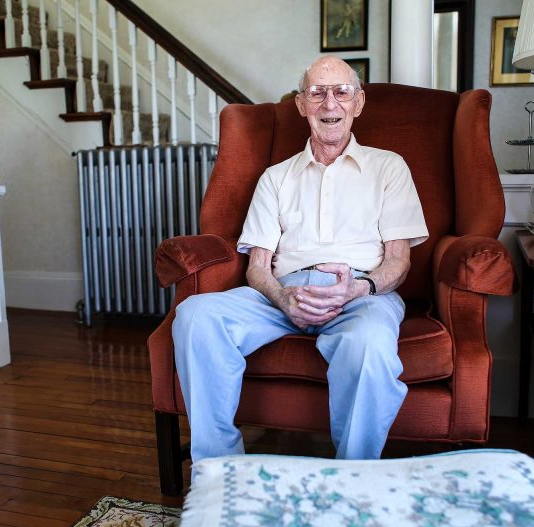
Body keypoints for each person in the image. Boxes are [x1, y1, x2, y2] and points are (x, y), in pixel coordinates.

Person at [172, 56, 428, 462]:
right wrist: (282, 298)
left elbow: (399, 261)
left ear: (358, 103)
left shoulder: (389, 168)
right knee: (194, 315)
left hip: (362, 293)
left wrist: (359, 289)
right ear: (301, 105)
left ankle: (354, 476)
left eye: (342, 92)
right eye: (317, 93)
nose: (330, 104)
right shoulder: (275, 177)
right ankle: (218, 469)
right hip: (282, 293)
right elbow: (258, 266)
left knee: (369, 343)